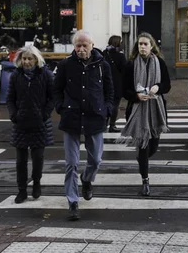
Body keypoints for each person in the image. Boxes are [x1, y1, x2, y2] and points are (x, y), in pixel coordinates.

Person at [53, 30, 114, 220]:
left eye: (84, 46)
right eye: (78, 45)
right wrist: (61, 107)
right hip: (71, 118)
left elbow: (109, 90)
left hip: (95, 117)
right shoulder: (65, 65)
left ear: (92, 45)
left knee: (95, 160)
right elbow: (57, 89)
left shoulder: (102, 65)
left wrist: (107, 110)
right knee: (71, 164)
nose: (81, 49)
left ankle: (87, 180)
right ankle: (73, 201)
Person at [119, 33, 171, 196]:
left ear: (151, 46)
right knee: (143, 146)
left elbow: (167, 85)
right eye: (140, 44)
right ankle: (145, 180)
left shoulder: (160, 63)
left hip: (156, 109)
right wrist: (136, 96)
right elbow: (124, 89)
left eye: (145, 44)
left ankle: (142, 160)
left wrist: (158, 87)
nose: (142, 47)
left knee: (153, 146)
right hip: (137, 110)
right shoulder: (131, 65)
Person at [7, 46, 54, 204]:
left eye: (29, 59)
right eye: (24, 59)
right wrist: (14, 115)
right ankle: (21, 190)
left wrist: (45, 114)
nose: (26, 62)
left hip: (39, 123)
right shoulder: (16, 76)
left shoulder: (45, 74)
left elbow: (52, 97)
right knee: (20, 160)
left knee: (38, 158)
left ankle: (36, 183)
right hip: (20, 123)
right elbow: (10, 98)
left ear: (36, 60)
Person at [103, 35, 127, 133]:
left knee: (105, 103)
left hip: (105, 82)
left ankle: (104, 124)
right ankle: (112, 125)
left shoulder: (104, 53)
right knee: (115, 104)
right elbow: (124, 69)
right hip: (117, 82)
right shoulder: (120, 55)